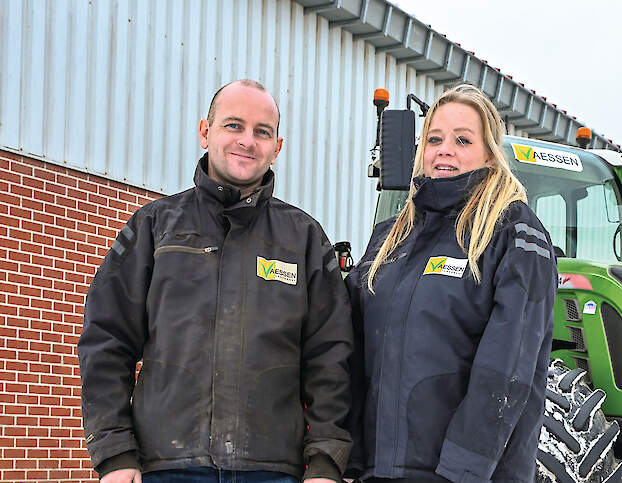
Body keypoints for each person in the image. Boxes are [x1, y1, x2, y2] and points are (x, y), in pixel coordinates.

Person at [78, 80, 352, 483]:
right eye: (233, 126)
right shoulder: (155, 228)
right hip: (167, 468)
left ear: (278, 147)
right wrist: (115, 453)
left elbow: (331, 356)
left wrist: (326, 463)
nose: (248, 141)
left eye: (262, 132)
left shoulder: (304, 239)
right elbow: (106, 340)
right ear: (205, 131)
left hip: (272, 472)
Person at [344, 84, 557, 482]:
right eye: (435, 139)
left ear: (490, 154)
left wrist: (462, 470)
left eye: (462, 140)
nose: (445, 150)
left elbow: (507, 366)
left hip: (465, 473)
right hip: (379, 470)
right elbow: (352, 348)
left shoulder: (512, 232)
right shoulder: (390, 237)